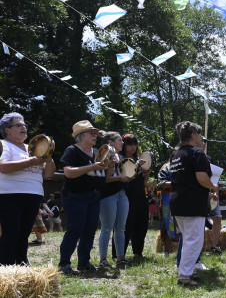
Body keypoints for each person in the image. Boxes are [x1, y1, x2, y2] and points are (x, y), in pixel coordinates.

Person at [0, 113, 56, 265]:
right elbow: (2, 167)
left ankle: (21, 262)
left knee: (24, 233)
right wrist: (31, 161)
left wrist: (49, 158)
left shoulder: (33, 147)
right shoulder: (4, 145)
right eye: (19, 125)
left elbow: (48, 174)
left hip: (33, 195)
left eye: (24, 125)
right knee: (11, 232)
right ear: (7, 130)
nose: (24, 127)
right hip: (9, 195)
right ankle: (6, 266)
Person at [170, 122, 217, 287]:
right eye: (200, 135)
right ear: (193, 136)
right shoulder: (197, 153)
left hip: (178, 202)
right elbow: (201, 178)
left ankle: (186, 272)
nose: (202, 139)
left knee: (188, 240)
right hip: (192, 203)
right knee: (194, 241)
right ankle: (184, 278)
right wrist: (213, 186)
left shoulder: (178, 154)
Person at [58, 120, 107, 274]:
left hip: (94, 196)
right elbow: (68, 172)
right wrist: (92, 166)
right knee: (75, 229)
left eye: (96, 133)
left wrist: (111, 164)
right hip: (75, 196)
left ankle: (84, 262)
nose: (96, 135)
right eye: (92, 133)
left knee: (90, 230)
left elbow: (105, 175)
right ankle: (64, 263)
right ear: (81, 136)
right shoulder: (72, 150)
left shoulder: (98, 152)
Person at [98, 132, 130, 268]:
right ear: (110, 142)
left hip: (122, 194)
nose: (122, 143)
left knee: (121, 228)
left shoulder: (121, 157)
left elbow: (124, 175)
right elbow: (105, 179)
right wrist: (119, 177)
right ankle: (103, 259)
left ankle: (120, 257)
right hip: (108, 195)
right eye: (119, 140)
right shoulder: (103, 155)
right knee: (107, 228)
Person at [121, 134, 149, 261]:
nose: (132, 147)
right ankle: (120, 254)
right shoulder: (121, 159)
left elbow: (144, 182)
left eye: (134, 144)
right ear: (124, 145)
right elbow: (126, 176)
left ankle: (138, 251)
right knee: (126, 225)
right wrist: (137, 165)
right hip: (126, 195)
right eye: (129, 144)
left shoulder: (138, 159)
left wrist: (146, 172)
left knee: (141, 223)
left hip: (140, 195)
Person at [202, 137, 223, 255]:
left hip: (211, 194)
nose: (204, 143)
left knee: (218, 217)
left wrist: (215, 193)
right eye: (202, 141)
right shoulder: (192, 158)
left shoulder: (208, 159)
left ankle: (214, 246)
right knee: (200, 220)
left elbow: (216, 179)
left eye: (205, 141)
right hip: (200, 195)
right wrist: (207, 193)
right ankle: (199, 247)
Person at [157, 147, 178, 256]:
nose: (176, 157)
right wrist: (178, 184)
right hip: (167, 200)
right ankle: (167, 251)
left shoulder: (185, 167)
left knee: (182, 225)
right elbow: (161, 183)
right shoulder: (166, 167)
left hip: (182, 200)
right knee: (166, 224)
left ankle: (182, 252)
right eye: (173, 155)